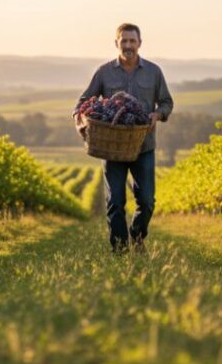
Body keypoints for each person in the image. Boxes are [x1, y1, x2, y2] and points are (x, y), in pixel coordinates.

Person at [73, 23, 174, 253]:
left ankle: (137, 237)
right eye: (124, 41)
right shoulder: (104, 73)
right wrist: (81, 123)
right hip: (112, 148)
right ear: (116, 43)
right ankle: (119, 249)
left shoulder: (154, 72)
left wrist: (157, 115)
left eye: (132, 41)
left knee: (147, 201)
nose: (128, 45)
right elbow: (82, 104)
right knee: (115, 203)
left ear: (140, 43)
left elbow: (167, 102)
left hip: (144, 146)